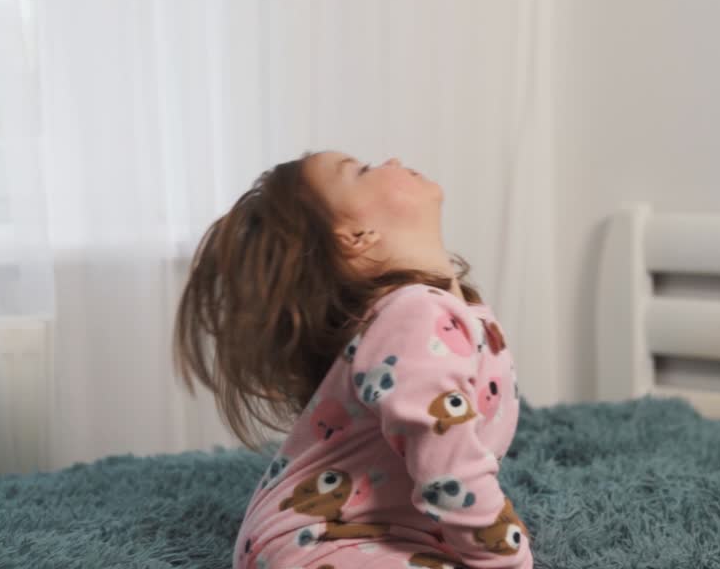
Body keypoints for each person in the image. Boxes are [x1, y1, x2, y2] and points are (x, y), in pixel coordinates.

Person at [174, 150, 532, 569]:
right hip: (319, 543)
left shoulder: (448, 314)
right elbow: (449, 467)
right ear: (355, 235)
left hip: (371, 539)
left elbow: (454, 463)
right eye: (361, 170)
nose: (393, 158)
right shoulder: (415, 316)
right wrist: (509, 559)